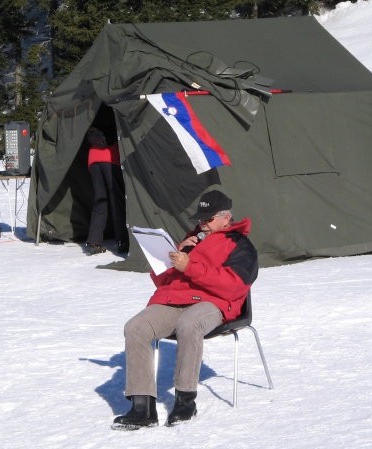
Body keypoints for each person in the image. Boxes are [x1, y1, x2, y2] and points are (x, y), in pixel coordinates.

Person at [112, 190, 258, 430]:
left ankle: (185, 401)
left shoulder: (240, 245)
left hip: (214, 303)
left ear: (225, 218)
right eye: (200, 219)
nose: (203, 225)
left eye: (208, 220)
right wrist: (173, 257)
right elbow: (162, 282)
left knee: (189, 324)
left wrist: (190, 266)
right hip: (175, 301)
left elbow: (234, 286)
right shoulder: (193, 241)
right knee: (135, 327)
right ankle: (142, 407)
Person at [85, 124, 128, 255]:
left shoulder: (94, 113)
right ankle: (122, 241)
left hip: (93, 158)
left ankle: (94, 242)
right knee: (116, 200)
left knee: (100, 200)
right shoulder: (114, 112)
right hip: (110, 158)